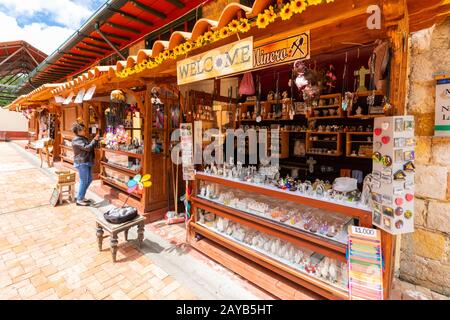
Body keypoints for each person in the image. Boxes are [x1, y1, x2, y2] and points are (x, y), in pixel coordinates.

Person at [71, 122, 99, 206]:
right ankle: (79, 199)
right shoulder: (76, 140)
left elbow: (90, 146)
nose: (85, 131)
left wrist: (95, 140)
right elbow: (88, 148)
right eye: (83, 130)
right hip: (82, 162)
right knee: (83, 181)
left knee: (89, 179)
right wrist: (94, 140)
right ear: (79, 131)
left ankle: (81, 196)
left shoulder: (82, 138)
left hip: (86, 161)